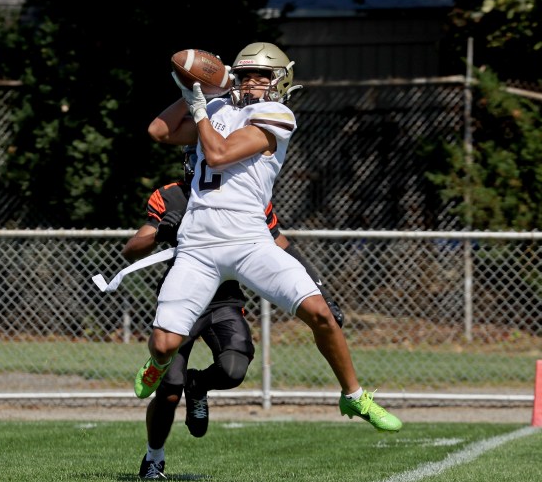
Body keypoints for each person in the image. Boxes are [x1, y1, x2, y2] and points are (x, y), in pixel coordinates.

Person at [138, 41, 402, 433]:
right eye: (246, 76)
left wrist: (201, 111)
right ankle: (157, 365)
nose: (253, 84)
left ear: (280, 82)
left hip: (249, 241)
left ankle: (354, 396)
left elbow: (219, 154)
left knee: (321, 315)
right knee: (163, 345)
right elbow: (158, 131)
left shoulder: (277, 113)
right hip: (197, 244)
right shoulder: (216, 107)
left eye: (262, 77)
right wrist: (192, 93)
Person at [124, 147, 345, 479]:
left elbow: (283, 246)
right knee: (169, 390)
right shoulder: (170, 196)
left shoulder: (246, 194)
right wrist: (161, 232)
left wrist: (320, 292)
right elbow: (131, 250)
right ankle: (154, 457)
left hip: (223, 301)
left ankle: (197, 384)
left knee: (233, 369)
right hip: (184, 300)